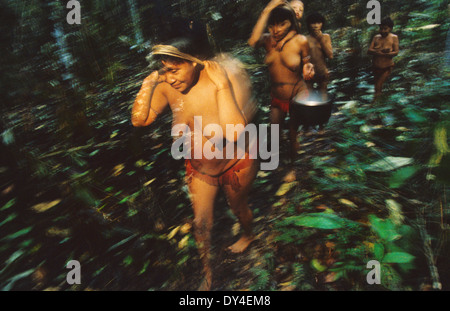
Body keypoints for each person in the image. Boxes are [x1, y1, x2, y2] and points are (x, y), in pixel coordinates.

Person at [131, 32, 258, 290]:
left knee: (239, 207)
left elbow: (236, 133)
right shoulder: (167, 86)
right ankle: (208, 273)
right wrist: (150, 81)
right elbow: (139, 120)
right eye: (165, 70)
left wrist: (222, 86)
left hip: (236, 160)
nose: (170, 77)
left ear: (196, 62)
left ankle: (248, 234)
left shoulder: (223, 76)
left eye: (175, 69)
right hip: (199, 166)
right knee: (200, 222)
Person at [248, 0, 314, 167]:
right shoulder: (267, 40)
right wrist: (267, 10)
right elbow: (252, 42)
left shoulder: (300, 40)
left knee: (293, 134)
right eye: (271, 25)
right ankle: (277, 162)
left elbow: (307, 61)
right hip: (277, 98)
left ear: (291, 22)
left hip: (297, 95)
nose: (276, 30)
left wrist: (308, 67)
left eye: (282, 24)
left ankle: (292, 167)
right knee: (275, 132)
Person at [367, 17, 399, 101]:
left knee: (378, 86)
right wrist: (379, 52)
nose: (383, 31)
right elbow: (369, 50)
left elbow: (396, 52)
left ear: (390, 28)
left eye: (385, 29)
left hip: (387, 67)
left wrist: (386, 53)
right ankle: (380, 102)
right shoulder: (376, 37)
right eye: (381, 28)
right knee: (377, 87)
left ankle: (374, 104)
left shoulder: (394, 37)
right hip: (376, 67)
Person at [305, 12, 333, 101]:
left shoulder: (326, 37)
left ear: (322, 24)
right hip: (309, 72)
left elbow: (330, 55)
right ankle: (311, 114)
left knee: (323, 93)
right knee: (309, 95)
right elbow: (303, 57)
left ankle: (324, 113)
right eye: (313, 23)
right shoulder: (305, 38)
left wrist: (321, 39)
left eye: (318, 23)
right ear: (309, 25)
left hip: (322, 70)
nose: (316, 25)